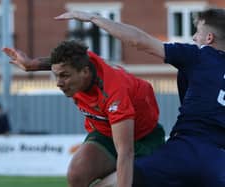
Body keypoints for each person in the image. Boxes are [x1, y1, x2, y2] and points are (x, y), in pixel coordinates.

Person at [54, 7, 225, 187]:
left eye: (197, 32)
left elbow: (139, 41)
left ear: (209, 38)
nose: (193, 38)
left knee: (116, 182)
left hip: (183, 152)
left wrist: (95, 19)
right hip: (218, 163)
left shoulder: (200, 55)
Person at [2, 40, 165, 187]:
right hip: (106, 133)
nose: (58, 83)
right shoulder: (81, 65)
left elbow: (126, 152)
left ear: (85, 72)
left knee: (122, 181)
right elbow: (61, 63)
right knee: (76, 174)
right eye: (56, 76)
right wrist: (32, 65)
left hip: (142, 138)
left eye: (64, 76)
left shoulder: (113, 93)